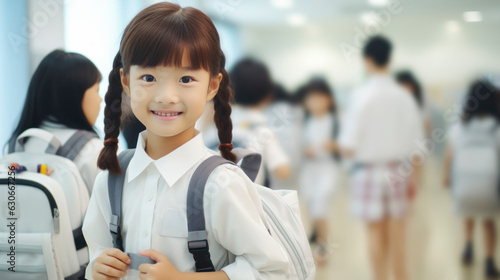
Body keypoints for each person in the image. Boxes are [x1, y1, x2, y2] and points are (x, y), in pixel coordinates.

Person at [82, 3, 289, 280]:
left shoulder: (221, 183)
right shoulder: (111, 177)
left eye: (186, 78)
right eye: (148, 77)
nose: (167, 95)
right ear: (126, 82)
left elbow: (271, 272)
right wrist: (97, 265)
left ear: (212, 86)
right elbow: (96, 250)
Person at [339, 36, 423, 280]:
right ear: (390, 59)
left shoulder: (360, 95)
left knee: (374, 233)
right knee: (398, 233)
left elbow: (347, 145)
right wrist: (414, 178)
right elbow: (417, 145)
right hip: (399, 170)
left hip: (368, 171)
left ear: (367, 60)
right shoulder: (404, 96)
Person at [4, 49, 103, 193]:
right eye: (97, 90)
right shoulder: (94, 150)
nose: (100, 100)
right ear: (75, 95)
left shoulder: (15, 145)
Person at [443, 80, 500, 278]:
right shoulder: (496, 127)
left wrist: (445, 177)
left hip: (464, 184)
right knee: (488, 220)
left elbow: (449, 155)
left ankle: (468, 245)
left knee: (468, 212)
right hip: (489, 185)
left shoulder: (461, 126)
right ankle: (489, 260)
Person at [298, 78, 340, 266]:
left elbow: (346, 146)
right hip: (310, 169)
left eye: (319, 98)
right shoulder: (305, 121)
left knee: (320, 207)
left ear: (328, 100)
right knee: (311, 205)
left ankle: (323, 249)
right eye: (311, 99)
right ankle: (317, 237)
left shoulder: (335, 121)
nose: (314, 103)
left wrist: (332, 145)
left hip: (327, 168)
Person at [229, 58, 291, 186]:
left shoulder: (218, 118)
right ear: (268, 96)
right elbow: (283, 171)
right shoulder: (262, 129)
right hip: (248, 200)